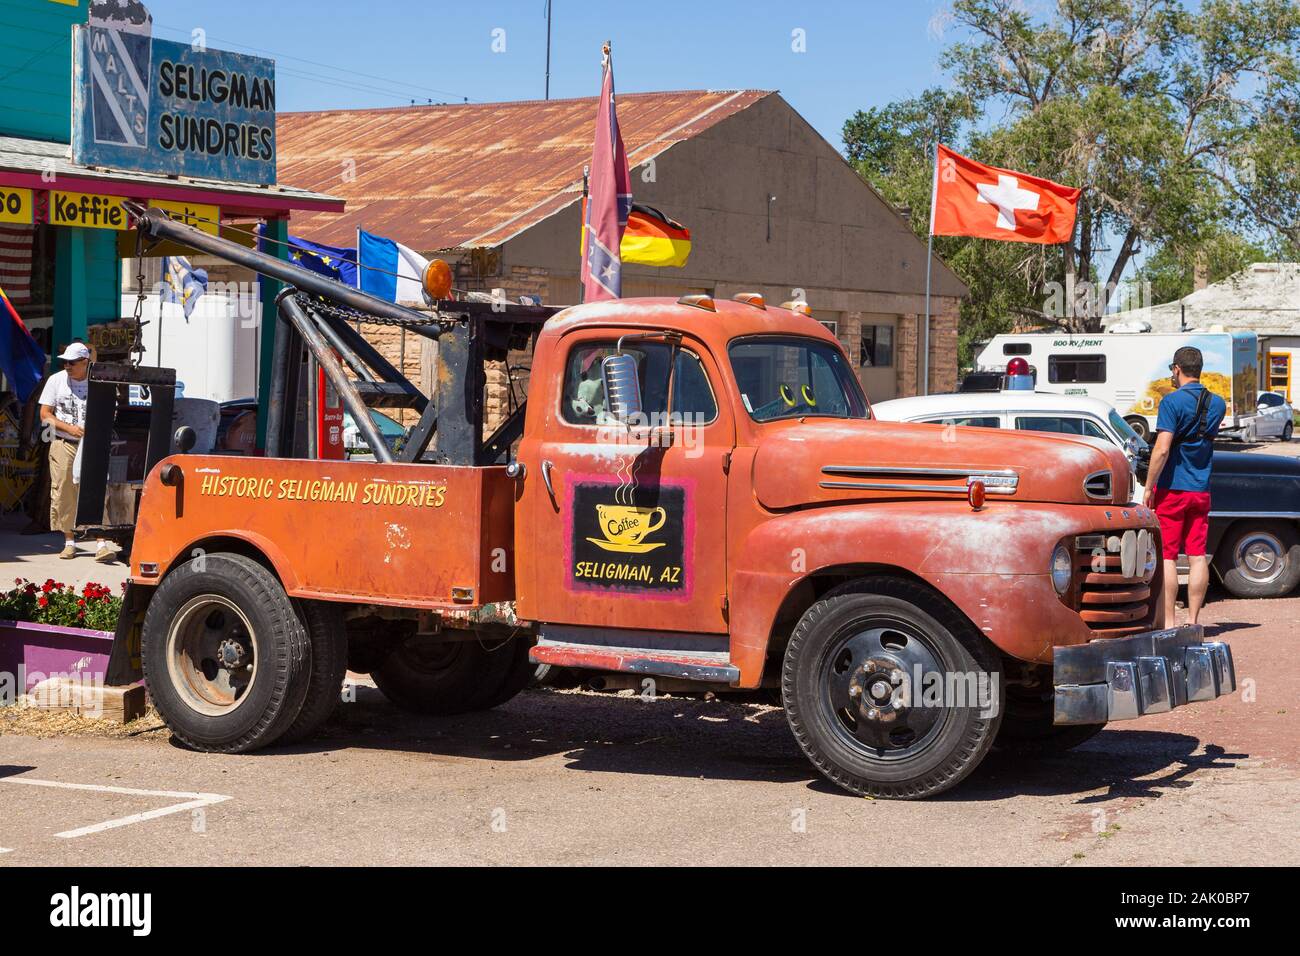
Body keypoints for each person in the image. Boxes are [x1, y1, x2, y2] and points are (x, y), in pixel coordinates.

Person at [1143, 345, 1226, 628]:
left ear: (1177, 369)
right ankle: (1193, 621)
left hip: (1172, 490)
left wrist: (1148, 486)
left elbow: (1163, 449)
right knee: (1197, 555)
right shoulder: (1218, 403)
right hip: (1201, 490)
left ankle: (1169, 622)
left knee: (1167, 556)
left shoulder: (1171, 402)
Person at [38, 342, 111, 562]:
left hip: (92, 443)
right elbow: (44, 414)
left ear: (85, 362)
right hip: (64, 441)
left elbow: (111, 409)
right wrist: (70, 428)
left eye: (72, 362)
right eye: (65, 362)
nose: (67, 366)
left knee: (96, 490)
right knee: (63, 491)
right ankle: (69, 541)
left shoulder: (99, 380)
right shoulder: (56, 380)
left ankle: (101, 542)